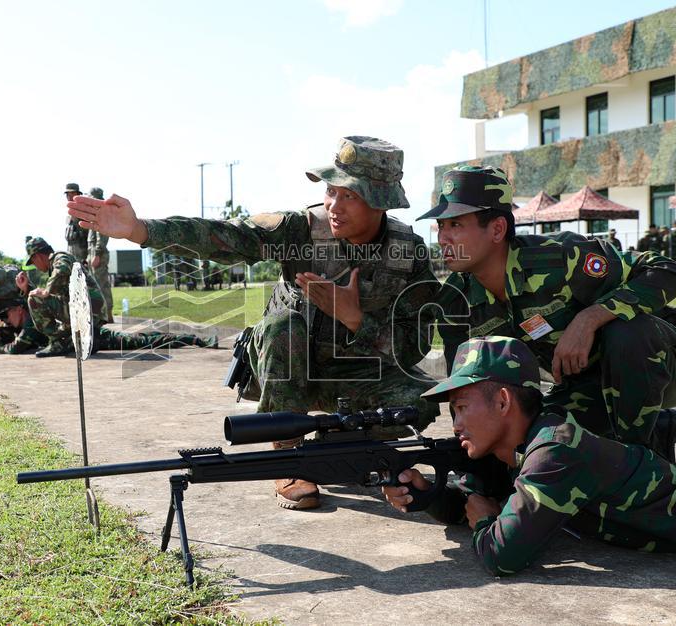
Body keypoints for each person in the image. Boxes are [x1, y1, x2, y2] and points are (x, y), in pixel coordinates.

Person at [68, 135, 441, 511]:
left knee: (420, 400)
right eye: (331, 191)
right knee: (283, 325)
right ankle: (289, 458)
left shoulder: (407, 252)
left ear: (380, 200)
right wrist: (139, 229)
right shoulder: (299, 231)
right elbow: (225, 236)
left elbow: (415, 345)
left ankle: (363, 451)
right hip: (291, 373)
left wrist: (354, 318)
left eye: (350, 195)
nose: (334, 205)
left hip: (357, 377)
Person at [383, 336, 676, 576]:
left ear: (504, 401)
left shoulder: (555, 451)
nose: (455, 423)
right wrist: (428, 494)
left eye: (460, 407)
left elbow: (501, 555)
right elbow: (476, 500)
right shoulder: (520, 448)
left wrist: (485, 519)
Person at [422, 166, 676, 460]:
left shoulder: (560, 258)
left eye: (455, 224)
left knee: (626, 332)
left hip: (663, 366)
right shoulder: (454, 301)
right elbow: (465, 391)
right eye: (441, 226)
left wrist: (589, 319)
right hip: (583, 385)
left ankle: (641, 460)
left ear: (497, 229)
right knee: (539, 445)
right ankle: (631, 440)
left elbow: (668, 271)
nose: (443, 238)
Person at [23, 237, 215, 357]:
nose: (35, 266)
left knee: (34, 298)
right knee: (136, 341)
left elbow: (61, 270)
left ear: (38, 256)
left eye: (34, 262)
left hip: (88, 317)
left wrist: (45, 292)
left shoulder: (59, 257)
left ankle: (58, 342)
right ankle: (192, 339)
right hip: (86, 327)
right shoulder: (55, 267)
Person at [87, 187, 114, 323]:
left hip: (98, 253)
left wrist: (96, 255)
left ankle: (107, 314)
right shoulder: (96, 214)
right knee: (97, 285)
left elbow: (101, 238)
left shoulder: (101, 215)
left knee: (102, 285)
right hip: (93, 252)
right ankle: (102, 314)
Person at [64, 183, 89, 263]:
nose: (69, 196)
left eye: (72, 193)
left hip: (82, 253)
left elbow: (90, 233)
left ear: (78, 195)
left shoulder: (83, 210)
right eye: (68, 194)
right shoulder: (69, 213)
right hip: (71, 251)